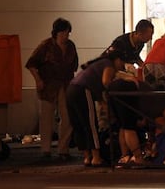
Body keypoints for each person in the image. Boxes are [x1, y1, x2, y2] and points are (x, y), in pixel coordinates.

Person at [25, 17, 78, 160]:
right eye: (63, 33)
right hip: (48, 86)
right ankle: (46, 149)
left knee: (67, 117)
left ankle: (63, 149)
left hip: (66, 84)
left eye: (67, 33)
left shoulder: (71, 46)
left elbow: (74, 66)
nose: (66, 36)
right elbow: (31, 64)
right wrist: (38, 80)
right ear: (56, 33)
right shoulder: (46, 46)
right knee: (46, 118)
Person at [66, 50, 126, 167]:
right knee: (90, 124)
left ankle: (87, 157)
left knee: (79, 125)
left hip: (71, 89)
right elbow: (105, 82)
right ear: (117, 60)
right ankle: (96, 157)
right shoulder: (108, 64)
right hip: (83, 90)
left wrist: (103, 103)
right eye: (122, 63)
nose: (122, 66)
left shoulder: (99, 63)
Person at [108, 78, 165, 167]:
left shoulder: (151, 102)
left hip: (114, 86)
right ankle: (138, 159)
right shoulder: (162, 103)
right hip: (128, 89)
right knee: (128, 128)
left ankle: (125, 157)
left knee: (123, 126)